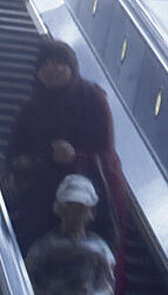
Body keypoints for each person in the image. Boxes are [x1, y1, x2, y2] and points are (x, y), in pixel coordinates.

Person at [4, 41, 124, 255]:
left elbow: (106, 151)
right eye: (45, 64)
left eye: (59, 63)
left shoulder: (93, 99)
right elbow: (15, 154)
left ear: (71, 66)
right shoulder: (30, 110)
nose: (52, 69)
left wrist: (76, 156)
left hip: (84, 198)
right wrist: (43, 155)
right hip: (42, 198)